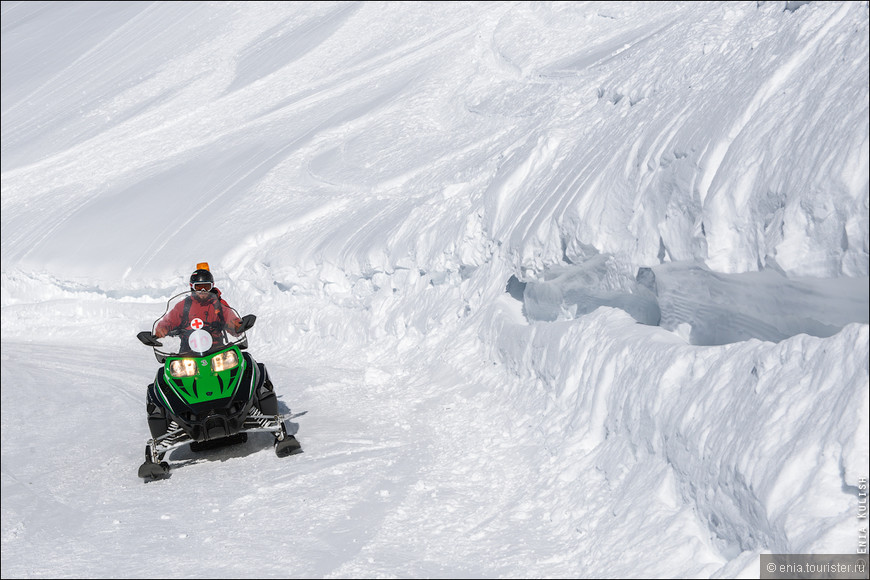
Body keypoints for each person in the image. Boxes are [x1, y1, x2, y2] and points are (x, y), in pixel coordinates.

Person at [153, 264, 244, 347]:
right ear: (192, 286)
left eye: (207, 287)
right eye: (199, 287)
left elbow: (230, 318)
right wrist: (162, 329)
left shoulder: (218, 304)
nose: (203, 291)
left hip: (216, 348)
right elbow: (169, 320)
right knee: (172, 365)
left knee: (241, 359)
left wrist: (238, 326)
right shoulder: (184, 305)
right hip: (188, 350)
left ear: (212, 286)